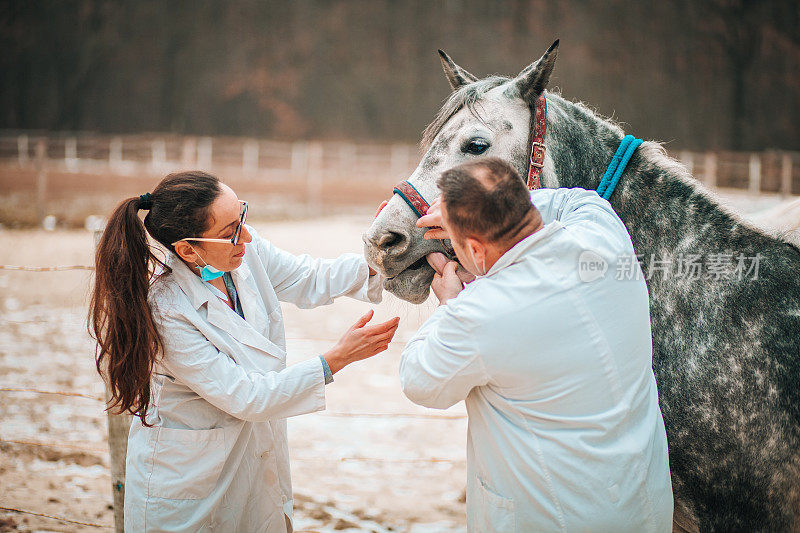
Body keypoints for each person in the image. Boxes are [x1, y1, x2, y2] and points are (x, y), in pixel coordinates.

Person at [89, 170, 399, 532]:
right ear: (188, 249)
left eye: (242, 218)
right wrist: (338, 358)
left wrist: (385, 254)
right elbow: (249, 397)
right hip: (187, 486)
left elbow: (310, 277)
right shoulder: (166, 310)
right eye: (230, 231)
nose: (246, 237)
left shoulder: (240, 253)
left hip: (250, 464)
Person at [400, 158, 673, 532]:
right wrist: (492, 208)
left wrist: (449, 305)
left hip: (557, 518)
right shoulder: (603, 236)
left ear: (477, 252)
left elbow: (418, 379)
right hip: (645, 507)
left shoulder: (479, 314)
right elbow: (578, 200)